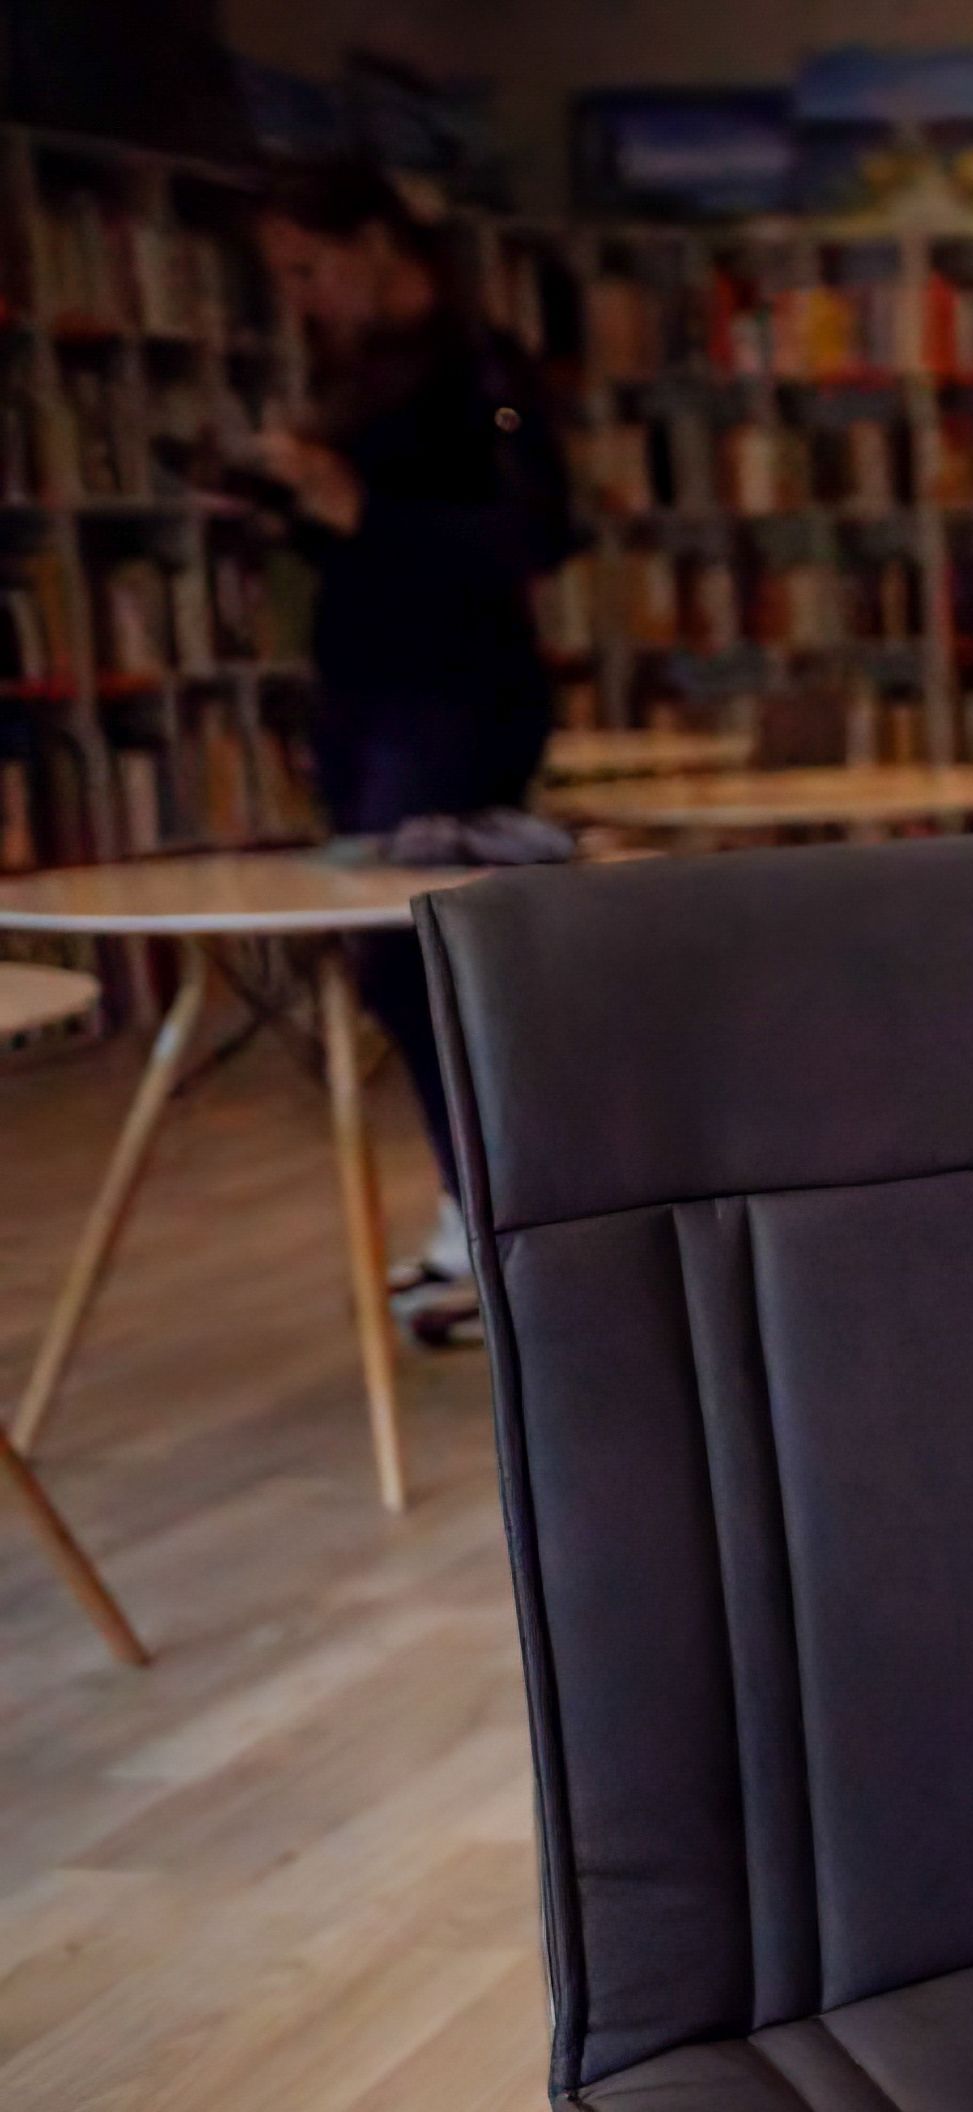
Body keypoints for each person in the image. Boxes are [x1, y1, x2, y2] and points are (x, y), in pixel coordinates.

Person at [248, 161, 577, 1347]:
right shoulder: (362, 379)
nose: (299, 295)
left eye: (310, 266)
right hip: (368, 695)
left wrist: (359, 511)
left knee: (436, 963)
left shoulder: (481, 374)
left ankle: (516, 1225)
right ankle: (468, 1212)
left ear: (381, 243)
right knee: (398, 969)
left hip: (454, 701)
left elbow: (538, 535)